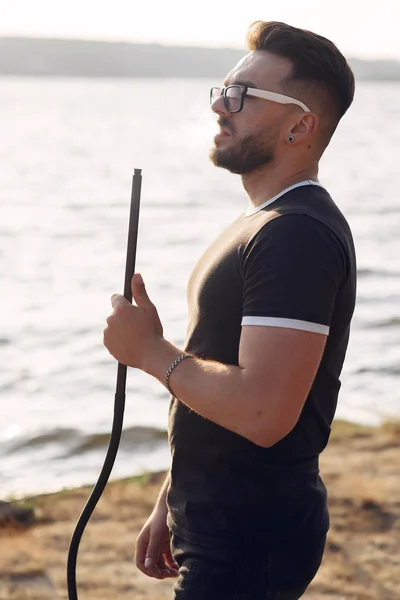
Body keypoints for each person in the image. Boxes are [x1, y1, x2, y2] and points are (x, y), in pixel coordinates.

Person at [103, 20, 356, 600]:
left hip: (252, 535)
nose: (222, 108)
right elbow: (219, 372)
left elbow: (265, 413)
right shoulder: (262, 223)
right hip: (221, 523)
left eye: (242, 97)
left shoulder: (296, 235)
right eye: (221, 91)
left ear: (300, 125)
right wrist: (174, 494)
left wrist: (148, 352)